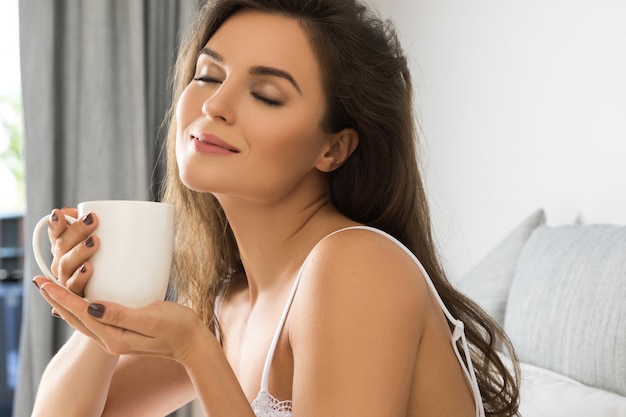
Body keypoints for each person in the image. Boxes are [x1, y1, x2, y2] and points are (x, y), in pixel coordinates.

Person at [31, 0, 521, 416]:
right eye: (207, 74)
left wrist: (194, 351)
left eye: (266, 95)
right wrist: (99, 304)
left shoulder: (356, 266)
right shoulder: (230, 302)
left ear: (333, 149)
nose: (216, 104)